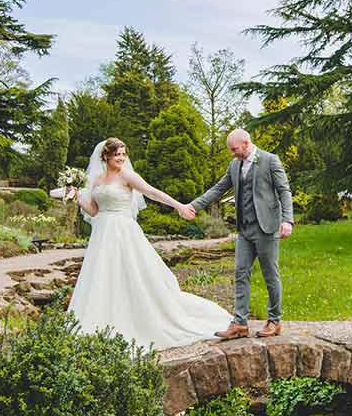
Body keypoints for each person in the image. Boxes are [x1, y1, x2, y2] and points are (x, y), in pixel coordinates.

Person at [67, 137, 231, 349]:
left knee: (133, 275)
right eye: (118, 154)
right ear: (106, 156)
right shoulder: (97, 180)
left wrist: (179, 205)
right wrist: (77, 196)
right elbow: (95, 211)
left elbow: (152, 192)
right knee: (103, 276)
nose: (122, 158)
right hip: (102, 234)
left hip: (124, 232)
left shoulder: (127, 176)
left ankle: (137, 319)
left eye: (124, 154)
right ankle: (101, 320)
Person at [182, 128, 294, 339]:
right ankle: (240, 324)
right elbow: (218, 189)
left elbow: (284, 191)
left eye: (234, 149)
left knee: (271, 275)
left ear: (246, 143)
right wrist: (194, 206)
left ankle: (274, 321)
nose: (232, 153)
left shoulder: (270, 161)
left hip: (267, 227)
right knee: (240, 273)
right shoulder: (234, 165)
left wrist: (287, 219)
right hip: (244, 229)